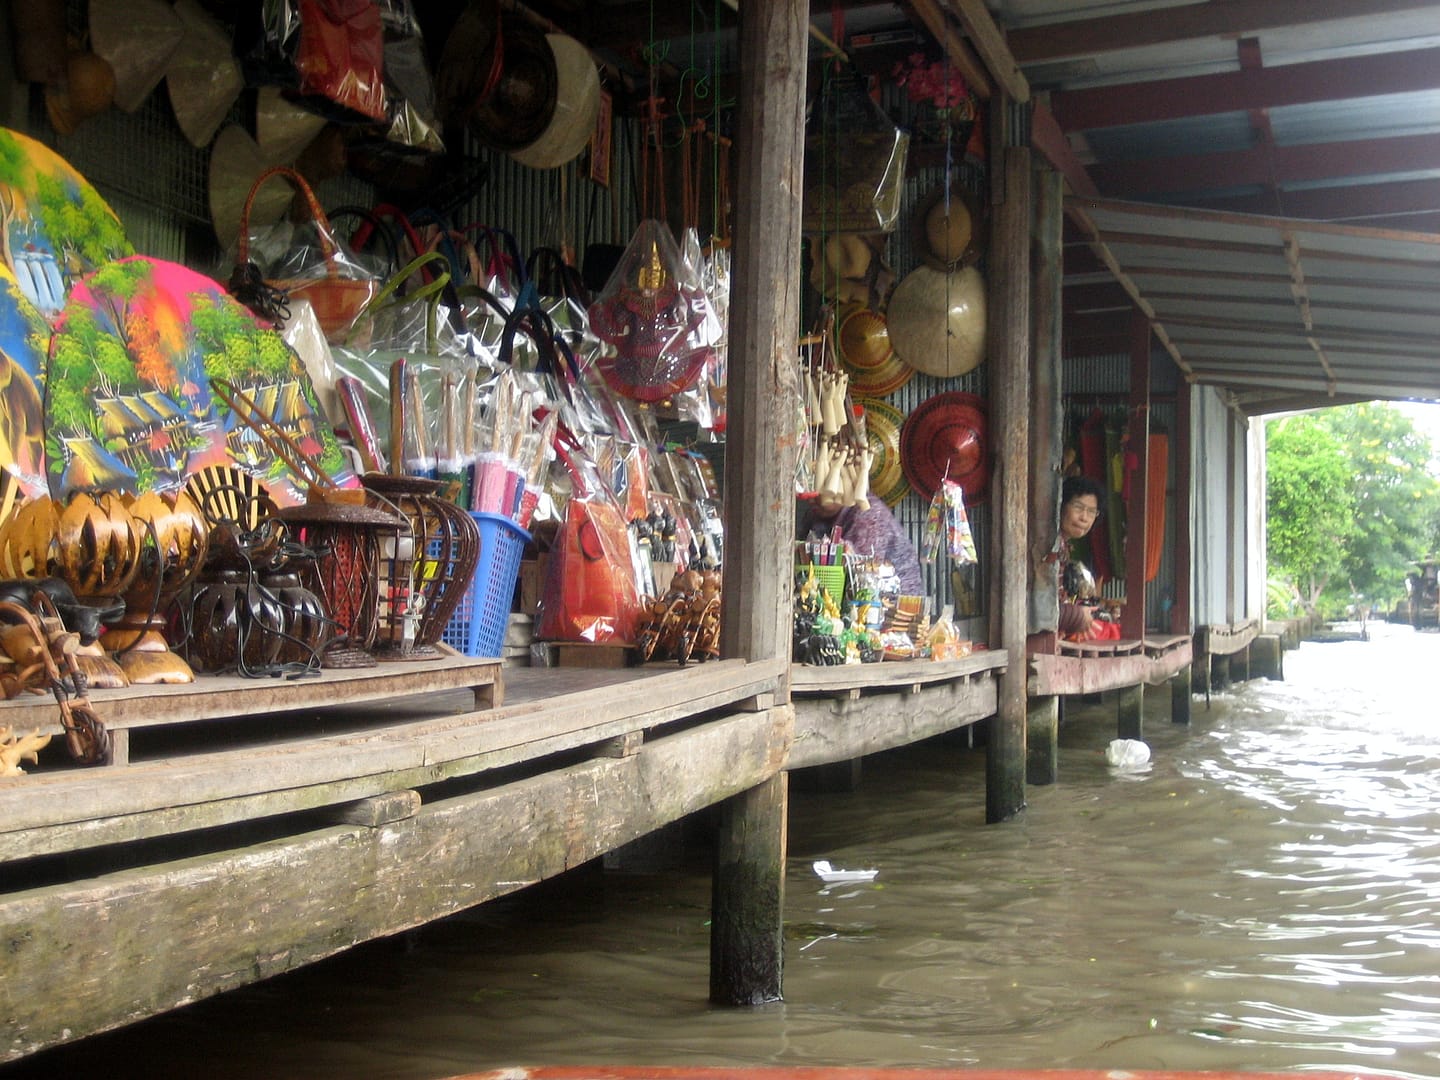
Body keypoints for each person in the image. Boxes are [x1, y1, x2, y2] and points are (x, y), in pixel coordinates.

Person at [799, 491, 925, 596]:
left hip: (891, 606)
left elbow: (861, 576)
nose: (810, 498)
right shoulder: (814, 516)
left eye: (819, 490)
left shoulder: (869, 514)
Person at [1053, 475, 1118, 641]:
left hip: (1059, 626)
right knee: (1110, 632)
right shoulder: (1048, 544)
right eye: (1078, 507)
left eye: (1091, 512)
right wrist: (1077, 615)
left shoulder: (1063, 545)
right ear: (1060, 505)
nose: (1084, 518)